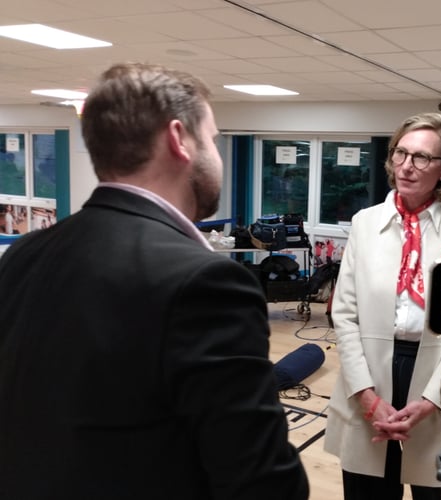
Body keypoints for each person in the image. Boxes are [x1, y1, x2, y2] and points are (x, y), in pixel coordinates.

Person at [0, 63, 309, 499]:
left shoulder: (24, 254)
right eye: (214, 140)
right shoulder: (207, 282)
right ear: (179, 139)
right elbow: (263, 483)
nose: (217, 157)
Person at [323, 112, 441, 500]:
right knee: (368, 489)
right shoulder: (365, 223)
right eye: (401, 154)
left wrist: (431, 401)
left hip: (434, 376)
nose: (407, 167)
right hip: (368, 372)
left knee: (433, 486)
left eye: (422, 158)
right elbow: (344, 315)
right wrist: (367, 396)